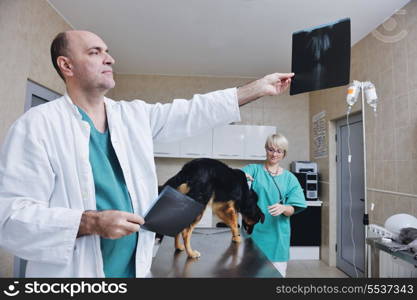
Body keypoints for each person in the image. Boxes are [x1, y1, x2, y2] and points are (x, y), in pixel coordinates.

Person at [0, 30, 295, 278]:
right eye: (94, 52)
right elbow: (11, 218)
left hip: (136, 270)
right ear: (67, 65)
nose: (109, 58)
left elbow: (192, 111)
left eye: (107, 51)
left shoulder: (132, 116)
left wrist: (257, 88)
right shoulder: (37, 126)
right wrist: (89, 222)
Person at [242, 133, 307, 277]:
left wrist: (284, 208)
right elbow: (235, 178)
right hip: (252, 236)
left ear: (284, 153)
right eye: (271, 149)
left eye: (279, 151)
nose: (274, 154)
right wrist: (241, 178)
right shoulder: (253, 170)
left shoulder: (290, 179)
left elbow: (293, 209)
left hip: (277, 238)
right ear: (265, 149)